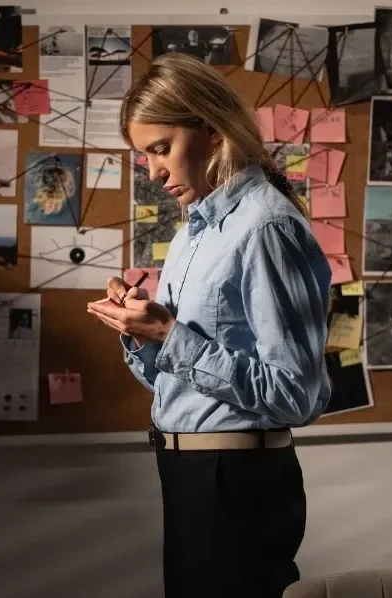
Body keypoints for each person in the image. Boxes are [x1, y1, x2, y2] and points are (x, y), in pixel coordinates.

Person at [86, 52, 332, 598]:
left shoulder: (266, 225)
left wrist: (171, 337)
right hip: (190, 472)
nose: (153, 172)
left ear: (212, 127)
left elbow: (296, 396)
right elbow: (184, 383)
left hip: (234, 478)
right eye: (144, 155)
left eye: (160, 148)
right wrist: (140, 332)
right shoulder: (193, 233)